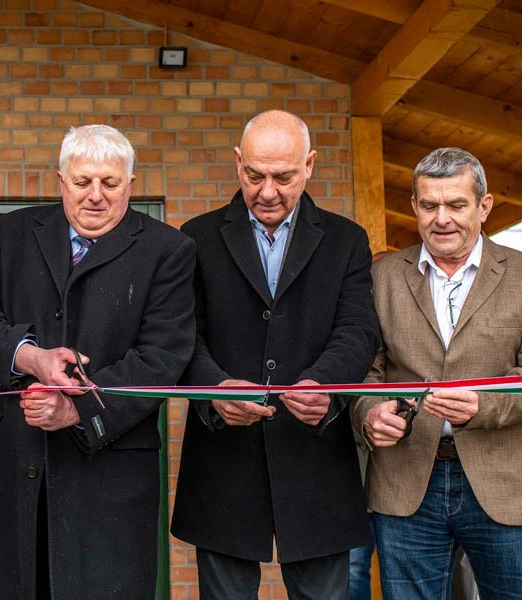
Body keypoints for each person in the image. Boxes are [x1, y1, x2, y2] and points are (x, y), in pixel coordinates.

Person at [0, 124, 196, 600]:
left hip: (108, 476)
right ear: (61, 181)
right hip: (18, 465)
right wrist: (29, 357)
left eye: (110, 183)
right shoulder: (13, 234)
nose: (95, 196)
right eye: (83, 182)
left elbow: (162, 356)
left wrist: (78, 409)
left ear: (130, 183)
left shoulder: (167, 250)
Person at [171, 110, 381, 600]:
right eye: (254, 175)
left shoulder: (347, 240)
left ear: (309, 165)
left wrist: (325, 385)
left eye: (284, 177)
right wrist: (214, 390)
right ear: (238, 163)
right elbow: (182, 335)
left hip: (316, 463)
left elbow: (358, 329)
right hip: (222, 464)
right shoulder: (195, 237)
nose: (267, 191)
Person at [351, 146, 522, 599]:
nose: (441, 218)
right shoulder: (382, 277)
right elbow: (364, 373)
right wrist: (369, 414)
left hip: (506, 485)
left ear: (484, 207)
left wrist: (484, 407)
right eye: (429, 205)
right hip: (405, 484)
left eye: (456, 205)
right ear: (414, 206)